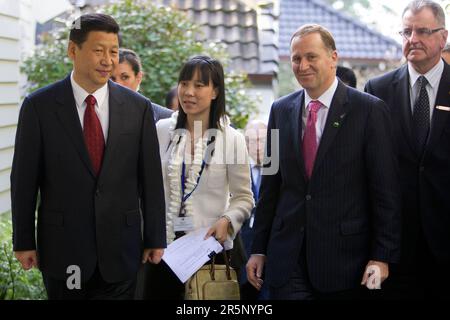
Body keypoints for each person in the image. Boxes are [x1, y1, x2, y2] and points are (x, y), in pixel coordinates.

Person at [10, 13, 166, 300]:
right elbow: (24, 180)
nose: (108, 60)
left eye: (114, 52)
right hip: (63, 248)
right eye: (98, 51)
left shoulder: (138, 108)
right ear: (73, 50)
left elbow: (151, 178)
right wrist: (23, 241)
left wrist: (155, 236)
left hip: (122, 248)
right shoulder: (39, 107)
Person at [246, 24, 401, 300]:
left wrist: (382, 256)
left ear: (333, 58)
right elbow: (270, 185)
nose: (302, 65)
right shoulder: (280, 110)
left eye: (311, 57)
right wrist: (258, 248)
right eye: (296, 58)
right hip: (288, 257)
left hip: (345, 261)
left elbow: (385, 191)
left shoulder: (369, 110)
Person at [143, 55, 254, 299]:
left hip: (208, 252)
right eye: (184, 83)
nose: (188, 92)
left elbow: (244, 198)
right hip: (163, 251)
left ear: (215, 91)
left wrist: (227, 220)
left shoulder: (231, 138)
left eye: (199, 85)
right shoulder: (161, 131)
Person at [365, 0, 449, 299]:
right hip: (394, 246)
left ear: (443, 37)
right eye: (406, 32)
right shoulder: (377, 90)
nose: (413, 39)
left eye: (423, 31)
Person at [239, 119, 269, 300]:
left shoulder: (279, 170)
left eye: (262, 140)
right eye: (250, 140)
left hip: (269, 254)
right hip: (243, 252)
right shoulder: (237, 171)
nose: (256, 146)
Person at [111, 48, 172, 122]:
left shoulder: (165, 117)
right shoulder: (97, 114)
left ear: (138, 77)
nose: (118, 83)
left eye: (125, 77)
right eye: (111, 78)